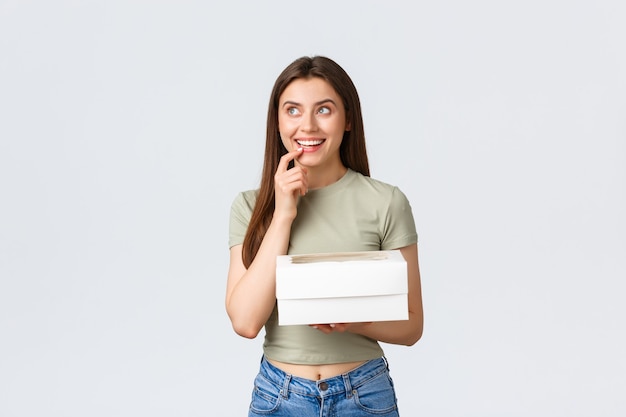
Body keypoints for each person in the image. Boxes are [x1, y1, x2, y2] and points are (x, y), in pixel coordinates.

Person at [226, 55, 423, 416]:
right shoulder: (250, 206)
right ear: (278, 121)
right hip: (279, 395)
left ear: (348, 119)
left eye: (324, 110)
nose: (308, 126)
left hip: (364, 393)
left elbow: (411, 325)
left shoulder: (386, 202)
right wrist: (283, 214)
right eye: (293, 110)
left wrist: (355, 321)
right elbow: (245, 321)